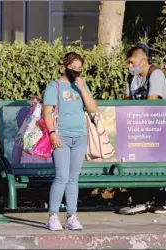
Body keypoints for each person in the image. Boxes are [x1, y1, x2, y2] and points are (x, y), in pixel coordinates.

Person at [43, 52, 97, 231]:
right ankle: (53, 215)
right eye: (72, 68)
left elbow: (92, 108)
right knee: (62, 176)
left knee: (73, 178)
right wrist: (52, 133)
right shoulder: (55, 86)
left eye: (79, 69)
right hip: (61, 136)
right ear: (64, 66)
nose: (76, 71)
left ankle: (72, 216)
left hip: (80, 136)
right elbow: (47, 112)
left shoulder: (81, 85)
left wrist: (82, 88)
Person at [121, 45, 166, 214]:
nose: (129, 66)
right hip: (138, 130)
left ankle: (160, 201)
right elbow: (126, 104)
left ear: (142, 61)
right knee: (139, 164)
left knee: (157, 165)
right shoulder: (131, 79)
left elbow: (152, 101)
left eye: (131, 62)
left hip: (157, 129)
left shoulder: (156, 74)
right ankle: (141, 199)